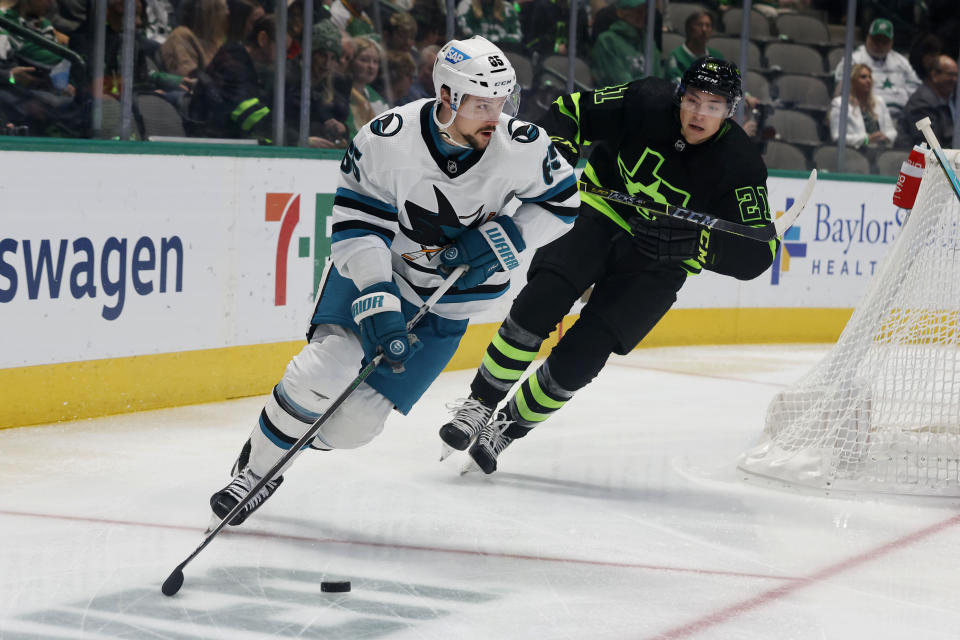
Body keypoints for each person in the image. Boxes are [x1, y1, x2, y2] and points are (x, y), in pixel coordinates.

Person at [207, 35, 580, 526]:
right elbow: (358, 224)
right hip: (379, 275)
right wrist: (378, 294)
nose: (497, 115)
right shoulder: (387, 138)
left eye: (502, 101)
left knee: (355, 427)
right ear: (447, 98)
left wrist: (504, 235)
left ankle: (283, 443)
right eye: (482, 103)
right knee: (323, 371)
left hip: (450, 304)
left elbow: (562, 203)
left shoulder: (522, 146)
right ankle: (256, 471)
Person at [439, 57, 778, 474]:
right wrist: (558, 157)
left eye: (712, 105)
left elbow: (758, 255)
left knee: (585, 355)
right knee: (542, 299)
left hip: (662, 262)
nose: (698, 113)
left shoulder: (741, 165)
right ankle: (480, 403)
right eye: (692, 100)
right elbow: (568, 112)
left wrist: (699, 243)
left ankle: (507, 427)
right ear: (679, 96)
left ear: (730, 110)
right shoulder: (644, 101)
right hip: (601, 211)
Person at [187, 14, 284, 140]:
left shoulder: (253, 68)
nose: (285, 56)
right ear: (263, 39)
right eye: (282, 48)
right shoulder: (233, 61)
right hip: (212, 144)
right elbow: (246, 111)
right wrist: (291, 139)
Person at [832, 18, 920, 118]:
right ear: (868, 38)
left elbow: (915, 92)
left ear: (892, 42)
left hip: (901, 118)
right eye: (876, 40)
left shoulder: (902, 62)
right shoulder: (853, 61)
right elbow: (840, 92)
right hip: (867, 116)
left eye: (885, 41)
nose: (880, 45)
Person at [591, 0, 662, 87]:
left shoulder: (648, 40)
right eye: (636, 10)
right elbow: (620, 82)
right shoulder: (607, 41)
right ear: (620, 13)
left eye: (644, 9)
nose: (642, 14)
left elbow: (658, 76)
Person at [828, 63, 897, 149]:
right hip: (854, 153)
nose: (868, 80)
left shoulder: (880, 102)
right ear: (853, 81)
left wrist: (886, 137)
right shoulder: (840, 104)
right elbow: (837, 137)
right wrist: (866, 140)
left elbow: (892, 131)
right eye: (863, 77)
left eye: (870, 77)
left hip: (880, 151)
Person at [160, 0, 229, 78]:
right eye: (222, 9)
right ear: (207, 14)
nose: (227, 13)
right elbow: (189, 75)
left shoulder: (215, 40)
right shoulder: (181, 36)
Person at [900, 54, 957, 148]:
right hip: (917, 158)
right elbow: (931, 145)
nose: (955, 80)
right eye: (951, 74)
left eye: (956, 75)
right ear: (935, 75)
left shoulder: (950, 99)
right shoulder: (922, 102)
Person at [345, 35, 388, 137]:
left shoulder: (376, 99)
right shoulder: (342, 94)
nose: (371, 66)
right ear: (350, 61)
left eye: (375, 61)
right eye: (364, 60)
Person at [664, 10, 722, 84]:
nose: (704, 29)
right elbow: (676, 84)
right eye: (700, 25)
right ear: (689, 28)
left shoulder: (717, 57)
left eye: (708, 25)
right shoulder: (676, 56)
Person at [456, 0, 522, 49]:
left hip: (506, 52)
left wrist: (494, 40)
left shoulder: (508, 7)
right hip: (475, 50)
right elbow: (467, 34)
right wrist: (501, 40)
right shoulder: (466, 4)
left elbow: (518, 36)